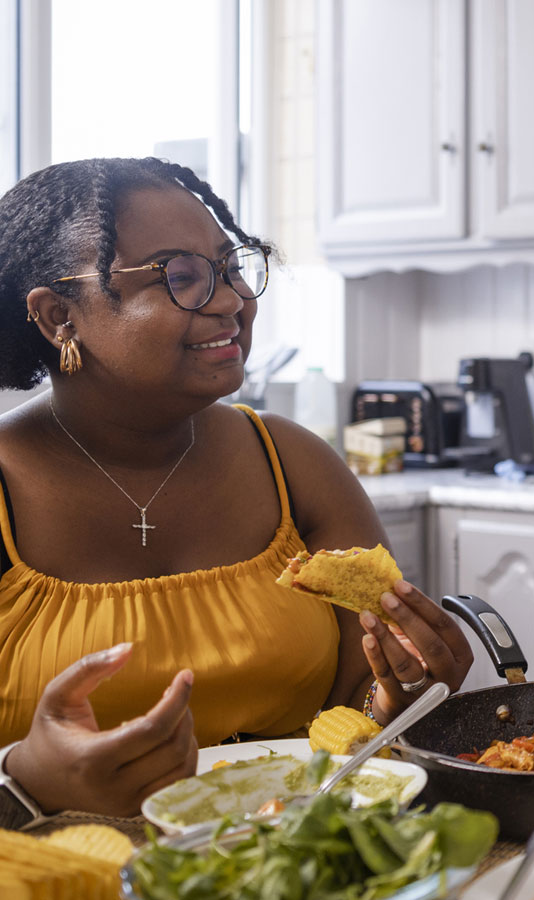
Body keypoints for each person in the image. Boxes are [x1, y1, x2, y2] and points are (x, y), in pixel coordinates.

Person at [0, 158, 476, 822]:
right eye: (181, 277)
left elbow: (359, 699)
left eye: (229, 268)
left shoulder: (295, 465)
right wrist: (22, 783)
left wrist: (400, 699)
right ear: (58, 317)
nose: (231, 301)